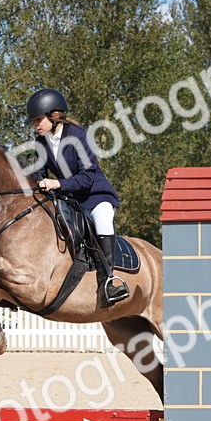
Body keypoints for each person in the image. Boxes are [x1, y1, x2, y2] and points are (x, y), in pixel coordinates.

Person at [26, 87, 130, 306]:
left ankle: (108, 282)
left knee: (102, 220)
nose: (35, 125)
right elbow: (39, 174)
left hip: (95, 195)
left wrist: (57, 183)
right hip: (70, 198)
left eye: (38, 120)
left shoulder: (79, 136)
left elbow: (87, 177)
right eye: (34, 122)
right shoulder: (40, 143)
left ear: (53, 116)